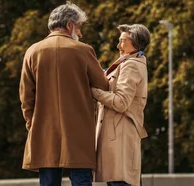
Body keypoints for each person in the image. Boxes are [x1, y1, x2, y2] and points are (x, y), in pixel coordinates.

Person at [19, 1, 109, 186]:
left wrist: (32, 124)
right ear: (69, 25)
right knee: (81, 181)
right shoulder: (84, 51)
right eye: (79, 27)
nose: (81, 33)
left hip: (45, 130)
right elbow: (103, 87)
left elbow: (26, 97)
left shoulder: (32, 52)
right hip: (79, 132)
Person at [91, 24, 151, 186]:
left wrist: (94, 91)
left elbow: (121, 102)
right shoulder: (126, 62)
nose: (118, 45)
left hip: (120, 136)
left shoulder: (131, 65)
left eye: (122, 41)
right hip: (118, 135)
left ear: (136, 43)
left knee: (120, 182)